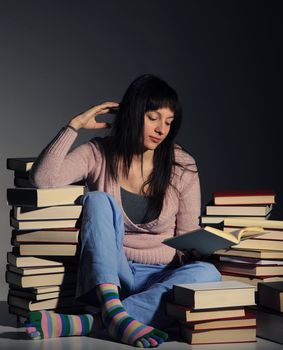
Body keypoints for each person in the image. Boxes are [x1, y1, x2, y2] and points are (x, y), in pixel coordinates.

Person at [24, 74, 221, 347]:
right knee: (98, 201)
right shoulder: (99, 153)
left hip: (161, 277)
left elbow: (187, 235)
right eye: (153, 117)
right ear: (132, 113)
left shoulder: (182, 165)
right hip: (113, 276)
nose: (161, 129)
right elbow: (43, 179)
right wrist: (74, 126)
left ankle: (93, 322)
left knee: (208, 273)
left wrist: (204, 246)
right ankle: (113, 310)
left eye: (169, 121)